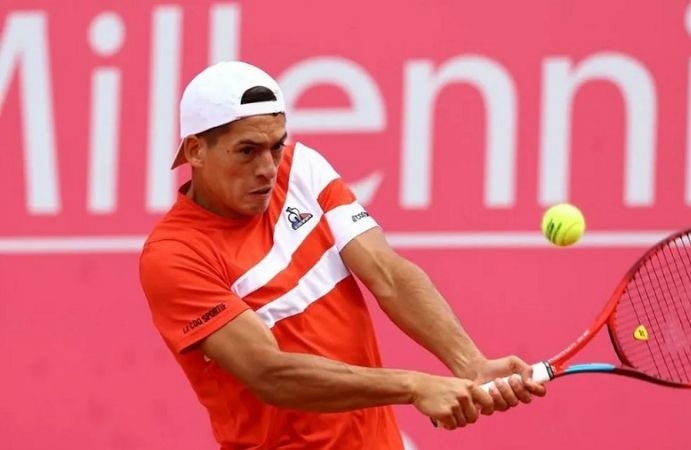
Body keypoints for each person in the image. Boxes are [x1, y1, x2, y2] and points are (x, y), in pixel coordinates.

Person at [139, 61, 545, 450]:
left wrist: (469, 361)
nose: (267, 167)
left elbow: (387, 273)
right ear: (195, 150)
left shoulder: (300, 170)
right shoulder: (174, 256)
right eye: (247, 151)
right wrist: (415, 385)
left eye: (276, 146)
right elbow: (269, 373)